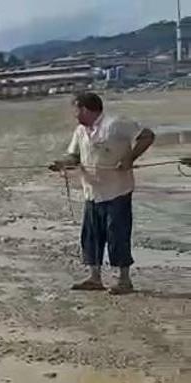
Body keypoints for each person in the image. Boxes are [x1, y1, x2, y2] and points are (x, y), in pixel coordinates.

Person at [49, 92, 155, 295]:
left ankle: (124, 281)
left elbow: (147, 135)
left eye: (76, 109)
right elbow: (74, 155)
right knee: (91, 236)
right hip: (92, 192)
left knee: (118, 235)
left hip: (117, 191)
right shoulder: (80, 131)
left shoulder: (115, 123)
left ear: (86, 109)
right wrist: (63, 164)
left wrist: (130, 159)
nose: (74, 114)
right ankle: (94, 278)